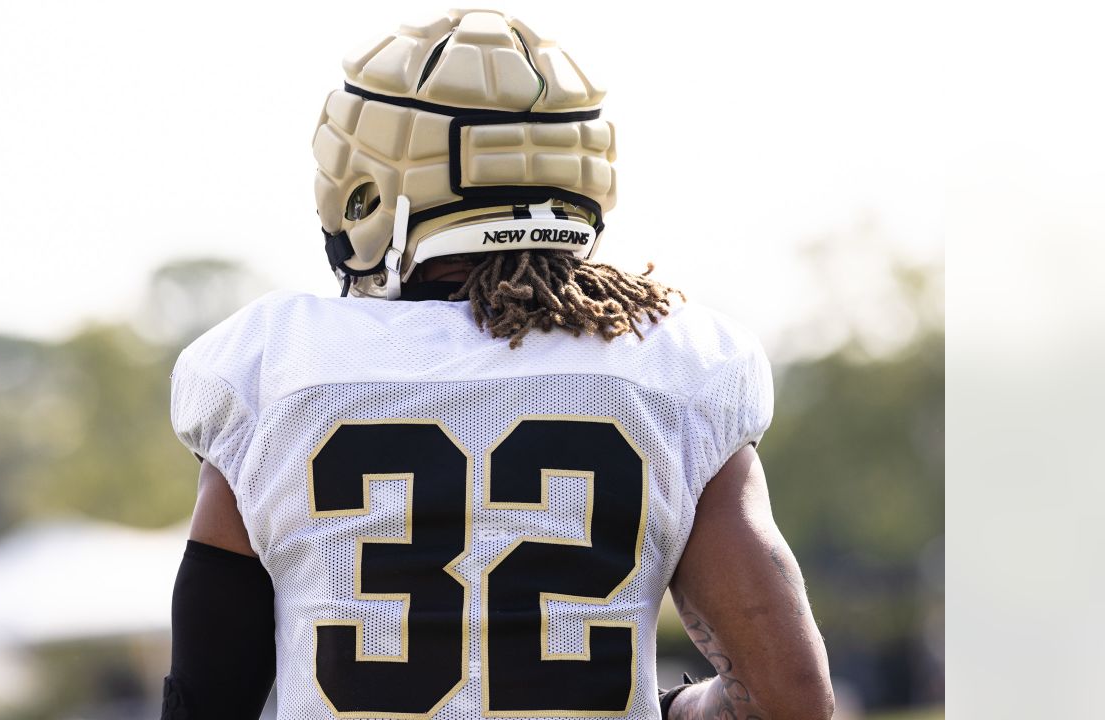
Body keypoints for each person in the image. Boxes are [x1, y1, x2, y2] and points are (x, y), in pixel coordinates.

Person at [162, 9, 834, 720]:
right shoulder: (674, 367)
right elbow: (788, 699)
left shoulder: (278, 368)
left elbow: (207, 702)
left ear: (372, 180)